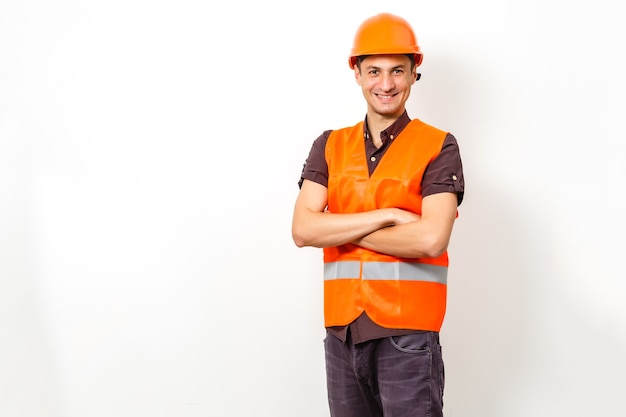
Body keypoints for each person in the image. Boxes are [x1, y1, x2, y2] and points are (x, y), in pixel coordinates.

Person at [291, 12, 465, 417]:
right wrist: (389, 214)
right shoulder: (329, 145)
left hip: (407, 338)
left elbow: (430, 238)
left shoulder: (439, 146)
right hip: (341, 336)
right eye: (374, 71)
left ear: (413, 73)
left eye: (397, 72)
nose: (385, 84)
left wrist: (334, 228)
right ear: (356, 73)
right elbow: (302, 229)